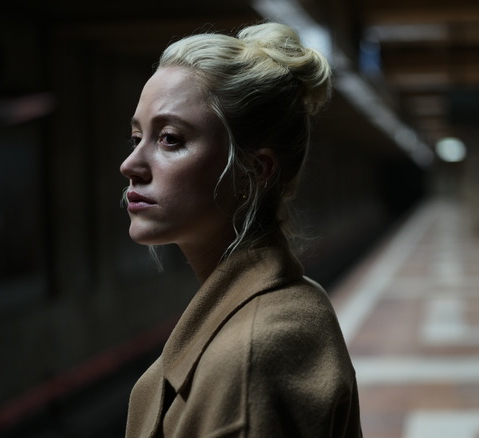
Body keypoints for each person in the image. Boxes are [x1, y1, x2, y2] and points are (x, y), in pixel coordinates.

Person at [119, 22, 362, 437]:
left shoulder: (250, 362)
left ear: (254, 170)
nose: (131, 165)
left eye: (170, 139)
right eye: (138, 136)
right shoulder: (284, 305)